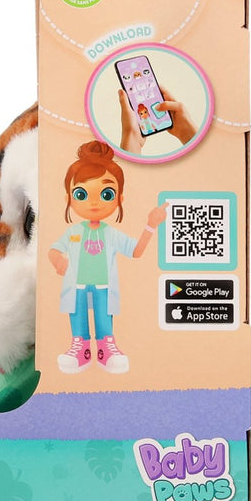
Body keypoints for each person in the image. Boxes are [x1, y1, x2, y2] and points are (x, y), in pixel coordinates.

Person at [48, 141, 167, 374]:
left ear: (119, 198)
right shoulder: (73, 232)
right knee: (78, 316)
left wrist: (151, 226)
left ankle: (106, 349)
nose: (94, 203)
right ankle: (80, 348)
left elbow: (136, 251)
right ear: (68, 198)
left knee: (104, 318)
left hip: (104, 286)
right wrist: (58, 261)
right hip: (76, 286)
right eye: (81, 194)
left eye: (106, 194)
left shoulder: (111, 234)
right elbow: (53, 250)